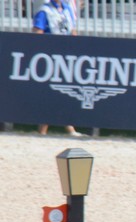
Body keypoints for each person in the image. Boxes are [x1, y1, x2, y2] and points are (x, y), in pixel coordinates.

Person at [33, 0, 82, 137]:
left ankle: (67, 128)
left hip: (65, 55)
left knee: (61, 92)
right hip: (50, 56)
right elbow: (37, 33)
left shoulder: (67, 8)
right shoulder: (45, 10)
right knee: (51, 92)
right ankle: (45, 130)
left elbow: (72, 30)